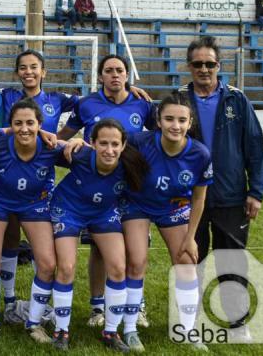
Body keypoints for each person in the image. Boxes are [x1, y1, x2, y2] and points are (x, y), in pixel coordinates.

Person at [57, 54, 156, 330]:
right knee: (101, 250)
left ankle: (137, 305)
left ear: (127, 75)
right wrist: (72, 143)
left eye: (120, 70)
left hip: (132, 187)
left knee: (137, 250)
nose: (115, 75)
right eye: (109, 70)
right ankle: (97, 306)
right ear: (101, 75)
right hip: (98, 187)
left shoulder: (143, 104)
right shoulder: (86, 103)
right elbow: (64, 134)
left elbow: (159, 137)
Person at [178, 36, 263, 341]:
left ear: (219, 66)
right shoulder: (178, 100)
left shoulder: (237, 100)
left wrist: (256, 191)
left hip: (230, 195)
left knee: (232, 259)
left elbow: (255, 147)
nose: (204, 69)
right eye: (198, 63)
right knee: (192, 260)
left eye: (210, 64)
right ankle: (193, 323)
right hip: (188, 198)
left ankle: (238, 323)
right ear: (189, 66)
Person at [112, 92, 212, 352]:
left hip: (173, 208)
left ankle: (188, 330)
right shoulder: (138, 141)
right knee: (137, 261)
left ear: (190, 123)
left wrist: (190, 237)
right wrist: (74, 145)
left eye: (181, 120)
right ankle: (131, 328)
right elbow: (107, 144)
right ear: (158, 120)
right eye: (169, 119)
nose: (175, 126)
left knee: (187, 261)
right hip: (137, 204)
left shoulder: (200, 154)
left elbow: (199, 200)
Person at [49, 119, 148, 352]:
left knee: (117, 267)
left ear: (124, 146)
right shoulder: (79, 154)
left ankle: (110, 332)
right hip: (68, 210)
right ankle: (61, 330)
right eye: (103, 143)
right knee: (66, 266)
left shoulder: (131, 163)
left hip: (103, 214)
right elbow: (43, 143)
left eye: (115, 144)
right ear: (92, 142)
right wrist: (70, 141)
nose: (109, 150)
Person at [0, 98, 61, 344]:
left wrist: (76, 143)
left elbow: (83, 153)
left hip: (34, 204)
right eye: (18, 123)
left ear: (40, 125)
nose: (24, 128)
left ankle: (34, 324)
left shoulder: (51, 147)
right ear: (10, 125)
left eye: (30, 123)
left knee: (46, 264)